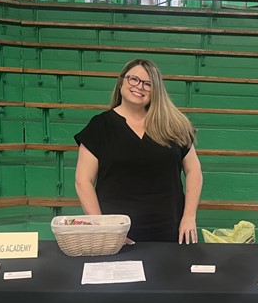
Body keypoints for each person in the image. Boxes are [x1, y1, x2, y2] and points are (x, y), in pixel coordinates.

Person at [74, 58, 203, 244]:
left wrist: (189, 217)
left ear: (156, 90)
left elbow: (194, 170)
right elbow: (83, 181)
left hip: (169, 230)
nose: (139, 86)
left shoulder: (173, 125)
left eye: (148, 84)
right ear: (121, 82)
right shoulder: (99, 126)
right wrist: (104, 228)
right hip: (117, 232)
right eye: (133, 79)